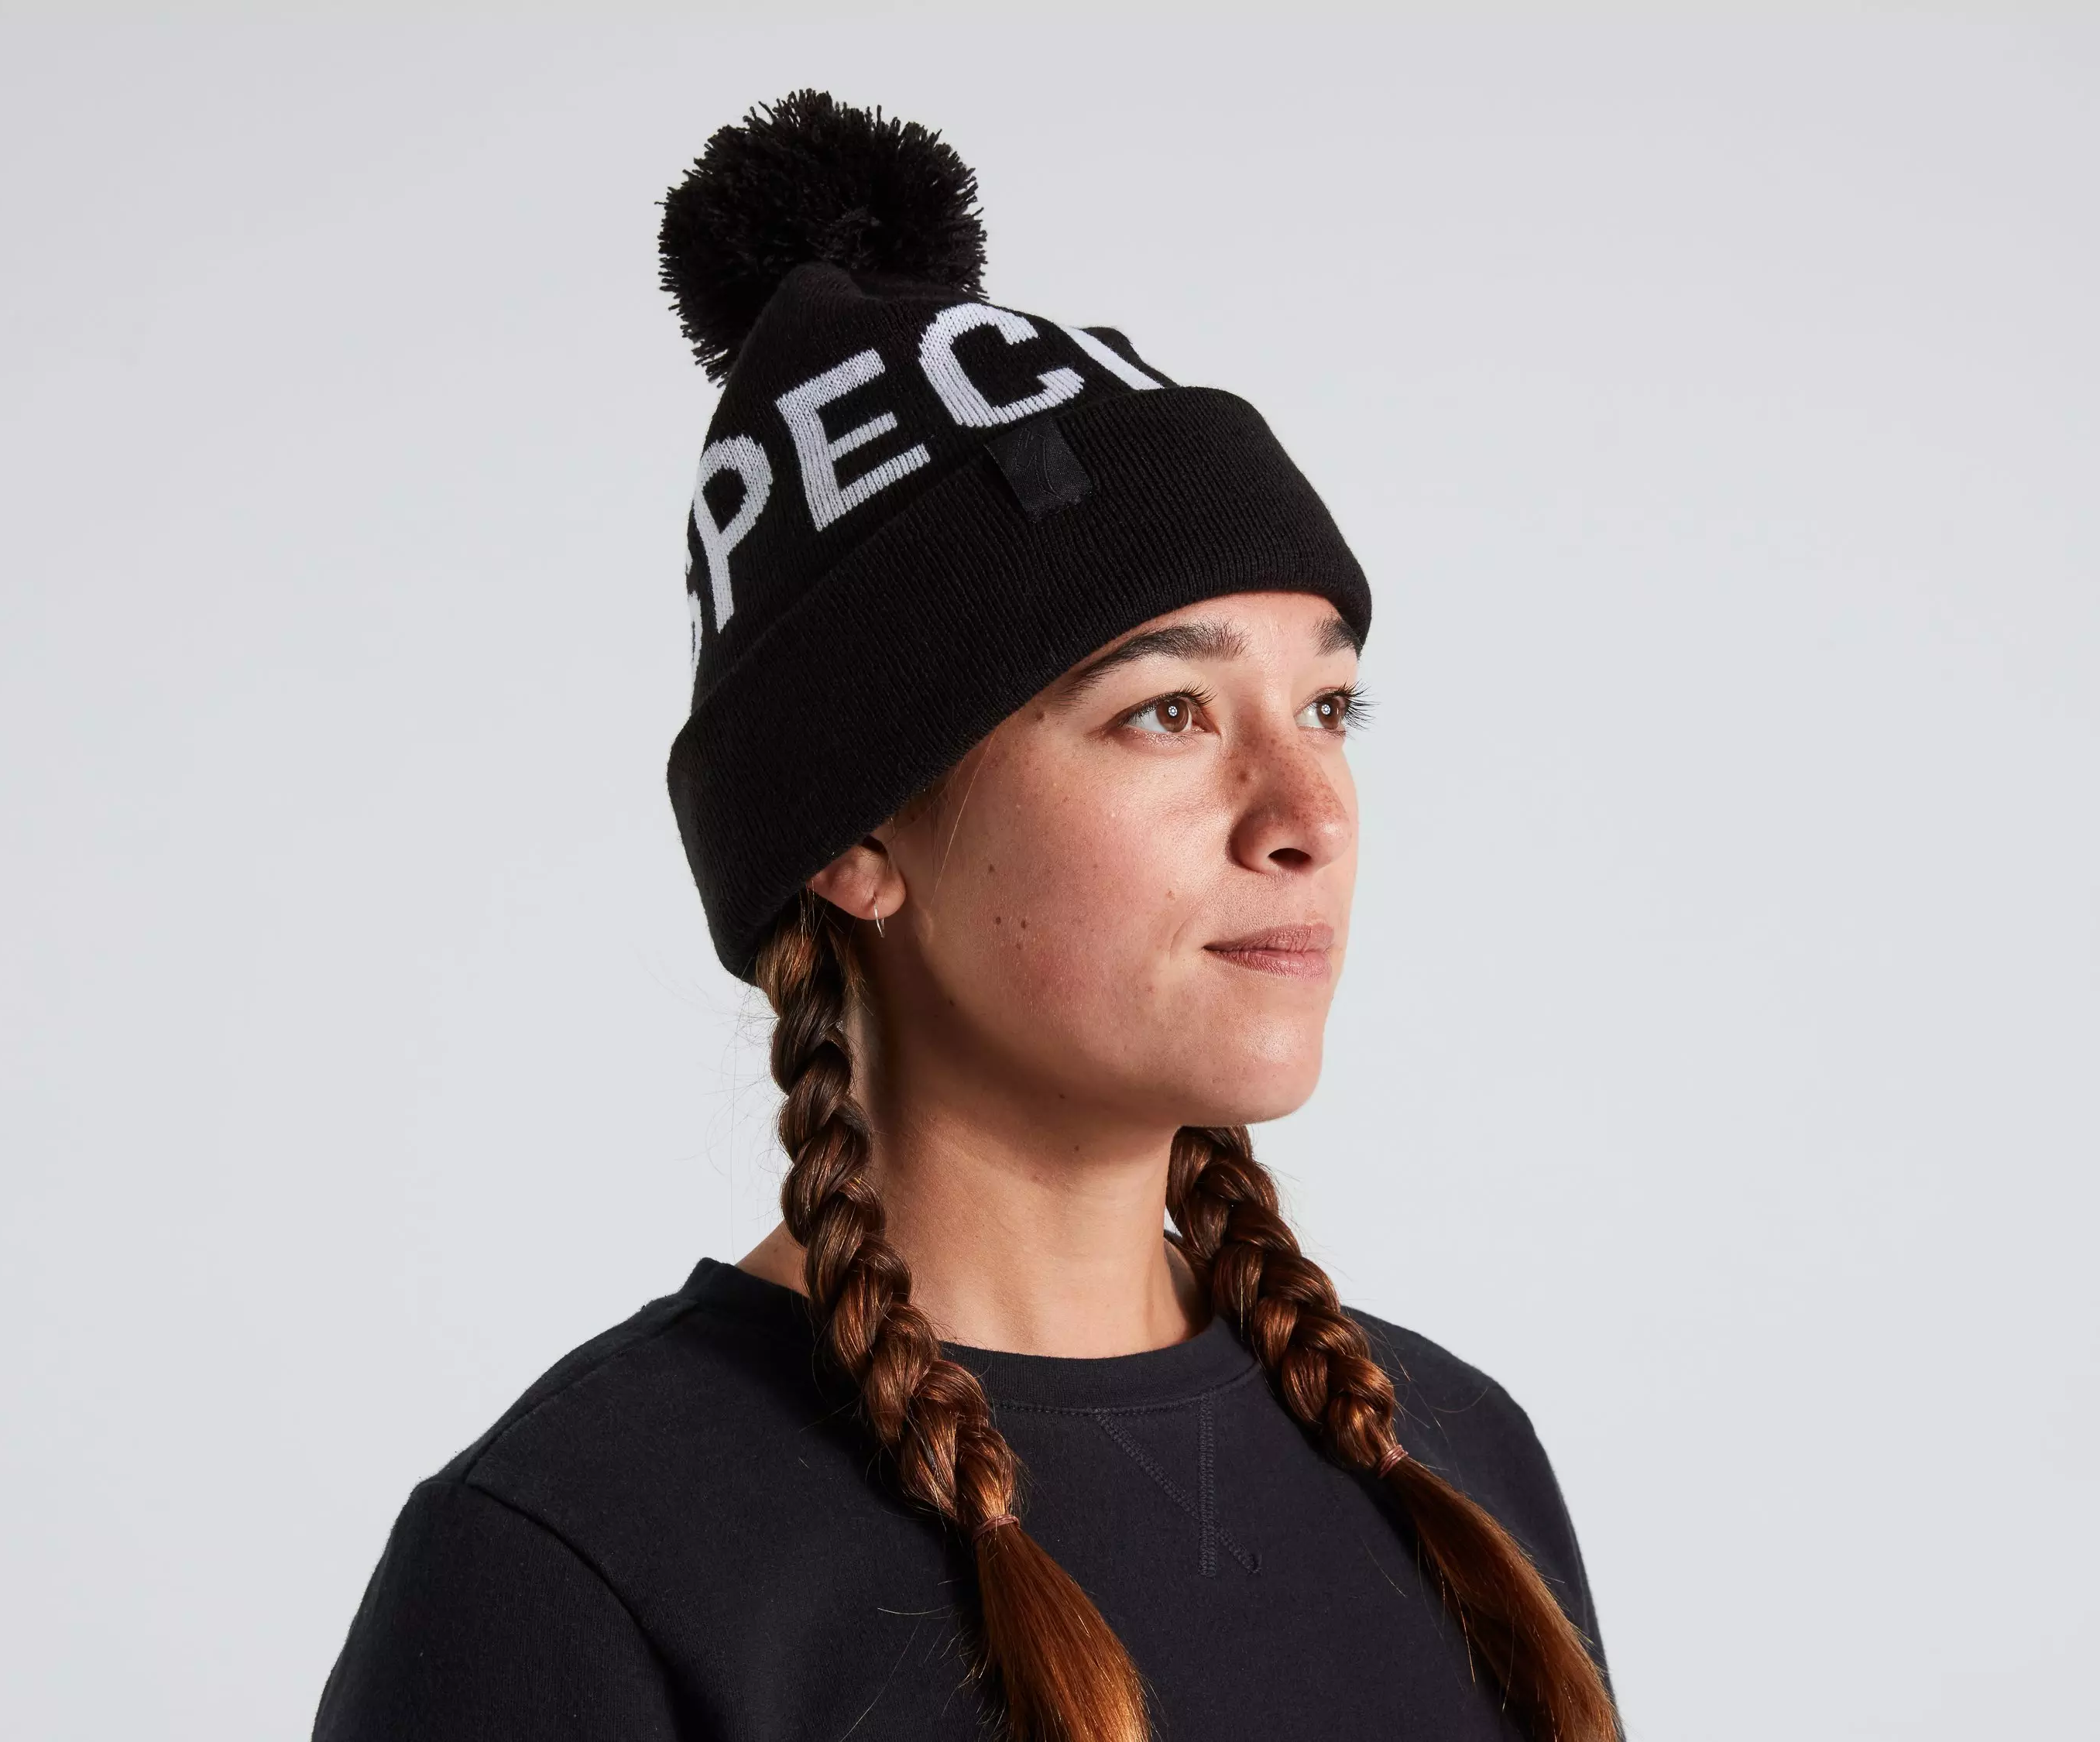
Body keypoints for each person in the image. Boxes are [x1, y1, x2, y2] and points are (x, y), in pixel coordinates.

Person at [314, 91, 1618, 1742]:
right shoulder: (568, 1567)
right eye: (1166, 713)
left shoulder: (1456, 1463)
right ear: (855, 835)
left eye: (1328, 707)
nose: (1310, 816)